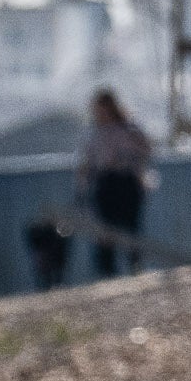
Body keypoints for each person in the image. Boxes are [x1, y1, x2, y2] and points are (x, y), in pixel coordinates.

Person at [75, 87, 156, 278]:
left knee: (131, 227)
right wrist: (81, 188)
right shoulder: (94, 133)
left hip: (127, 183)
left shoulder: (129, 130)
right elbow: (86, 163)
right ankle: (107, 272)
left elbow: (146, 150)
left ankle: (135, 266)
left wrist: (132, 164)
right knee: (105, 230)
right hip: (106, 184)